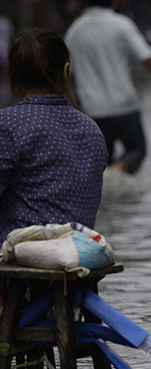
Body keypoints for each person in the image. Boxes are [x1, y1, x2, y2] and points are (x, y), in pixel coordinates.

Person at [0, 28, 107, 245]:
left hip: (19, 260)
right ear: (66, 70)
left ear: (13, 73)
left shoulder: (6, 123)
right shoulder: (92, 129)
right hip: (77, 253)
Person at [65, 0, 151, 175]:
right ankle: (116, 173)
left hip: (92, 109)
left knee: (102, 159)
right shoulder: (121, 24)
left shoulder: (75, 30)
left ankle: (109, 180)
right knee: (137, 150)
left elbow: (68, 72)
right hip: (123, 104)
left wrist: (74, 104)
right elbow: (147, 57)